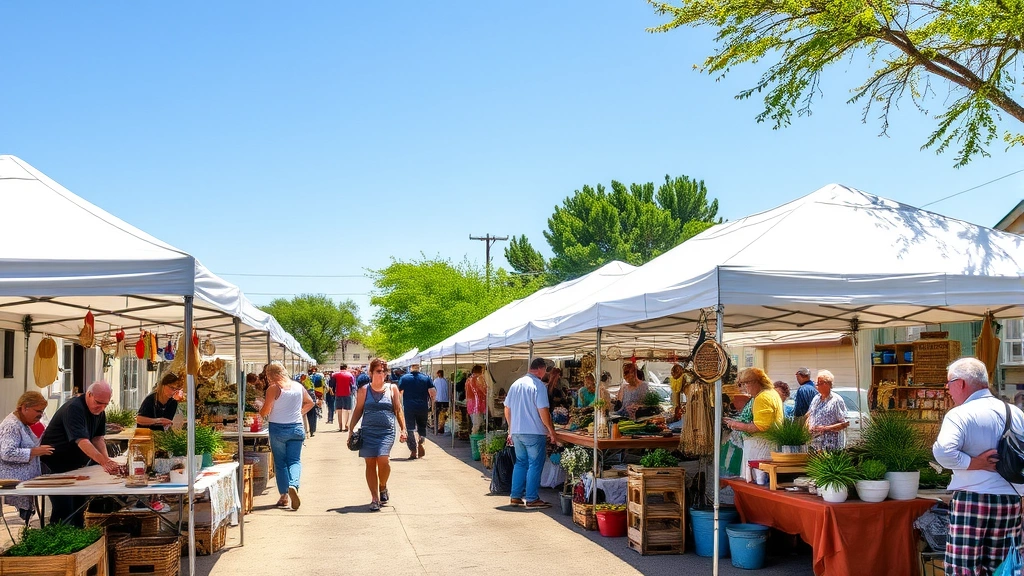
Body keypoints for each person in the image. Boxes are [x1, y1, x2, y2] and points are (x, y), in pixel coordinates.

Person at [933, 357, 1024, 575]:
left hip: (972, 499)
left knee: (963, 569)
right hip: (1010, 500)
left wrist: (974, 463)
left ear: (961, 383)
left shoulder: (960, 413)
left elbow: (943, 452)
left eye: (948, 383)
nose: (948, 390)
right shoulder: (1017, 413)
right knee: (1004, 569)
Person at [40, 381, 120, 526]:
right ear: (89, 395)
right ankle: (57, 544)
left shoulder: (99, 411)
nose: (101, 408)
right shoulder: (74, 408)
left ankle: (79, 542)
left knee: (79, 507)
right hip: (56, 465)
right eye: (98, 403)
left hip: (77, 466)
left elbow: (98, 438)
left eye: (105, 405)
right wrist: (103, 462)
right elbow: (82, 441)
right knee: (64, 510)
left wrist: (107, 461)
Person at [349, 358, 407, 512]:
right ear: (371, 373)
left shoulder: (392, 388)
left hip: (386, 431)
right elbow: (358, 410)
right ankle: (374, 498)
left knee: (383, 460)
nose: (381, 374)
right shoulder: (364, 390)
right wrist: (351, 428)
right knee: (370, 463)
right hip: (368, 430)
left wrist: (403, 429)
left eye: (383, 371)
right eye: (378, 371)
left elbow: (398, 409)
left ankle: (383, 486)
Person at [258, 361, 314, 510]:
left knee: (281, 463)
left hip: (278, 428)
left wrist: (260, 408)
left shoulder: (273, 389)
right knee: (295, 461)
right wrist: (298, 413)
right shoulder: (298, 386)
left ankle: (284, 496)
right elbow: (310, 403)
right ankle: (293, 485)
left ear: (271, 375)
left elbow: (266, 411)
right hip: (296, 427)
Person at [503, 357, 556, 509]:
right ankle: (532, 498)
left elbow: (507, 408)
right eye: (545, 370)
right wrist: (551, 431)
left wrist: (511, 428)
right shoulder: (538, 385)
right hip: (534, 431)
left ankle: (515, 496)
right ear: (541, 369)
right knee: (535, 464)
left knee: (521, 463)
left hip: (517, 431)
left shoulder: (516, 384)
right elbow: (543, 411)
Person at [0, 391, 53, 523]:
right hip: (12, 486)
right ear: (24, 408)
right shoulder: (11, 425)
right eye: (38, 411)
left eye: (42, 412)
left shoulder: (22, 424)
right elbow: (7, 453)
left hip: (23, 485)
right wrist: (35, 451)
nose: (40, 415)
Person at [723, 368, 784, 482]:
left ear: (755, 382)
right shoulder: (770, 393)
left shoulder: (763, 397)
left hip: (761, 447)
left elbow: (760, 427)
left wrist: (736, 424)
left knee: (758, 481)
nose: (745, 388)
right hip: (765, 446)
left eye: (746, 384)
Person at [399, 362, 435, 459]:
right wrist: (432, 403)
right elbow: (432, 392)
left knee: (410, 428)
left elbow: (400, 392)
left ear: (411, 368)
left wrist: (399, 405)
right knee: (422, 427)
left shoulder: (404, 378)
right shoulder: (426, 378)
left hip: (409, 406)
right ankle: (421, 442)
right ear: (419, 368)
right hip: (422, 406)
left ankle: (413, 451)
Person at [805, 370, 848, 450]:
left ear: (827, 384)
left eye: (819, 383)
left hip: (831, 445)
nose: (816, 385)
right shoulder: (816, 398)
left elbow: (844, 424)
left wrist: (825, 428)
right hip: (815, 444)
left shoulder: (836, 400)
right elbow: (810, 414)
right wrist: (808, 426)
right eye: (816, 383)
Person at [332, 365, 355, 432]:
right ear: (346, 368)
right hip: (347, 393)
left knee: (339, 410)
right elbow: (353, 385)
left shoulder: (335, 375)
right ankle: (346, 424)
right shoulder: (350, 375)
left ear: (340, 368)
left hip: (338, 393)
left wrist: (333, 392)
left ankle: (340, 426)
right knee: (347, 410)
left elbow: (332, 384)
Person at [465, 365, 487, 434]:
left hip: (471, 403)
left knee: (476, 422)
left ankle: (475, 438)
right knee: (477, 424)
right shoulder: (477, 379)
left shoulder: (468, 380)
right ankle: (474, 439)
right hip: (476, 404)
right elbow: (483, 390)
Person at [433, 369, 450, 435]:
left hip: (444, 399)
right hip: (438, 400)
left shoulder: (445, 381)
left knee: (444, 414)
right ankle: (439, 427)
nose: (439, 374)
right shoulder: (436, 381)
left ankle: (442, 427)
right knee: (438, 414)